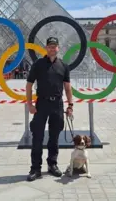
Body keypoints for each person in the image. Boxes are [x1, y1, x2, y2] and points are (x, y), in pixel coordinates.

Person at [25, 36, 74, 181]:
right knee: (37, 137)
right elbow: (29, 84)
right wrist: (29, 104)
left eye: (55, 46)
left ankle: (52, 165)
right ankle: (35, 169)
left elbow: (67, 87)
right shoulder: (38, 64)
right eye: (50, 46)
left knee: (54, 137)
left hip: (57, 105)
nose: (52, 48)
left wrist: (70, 105)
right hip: (41, 104)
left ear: (58, 48)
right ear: (46, 48)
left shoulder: (64, 66)